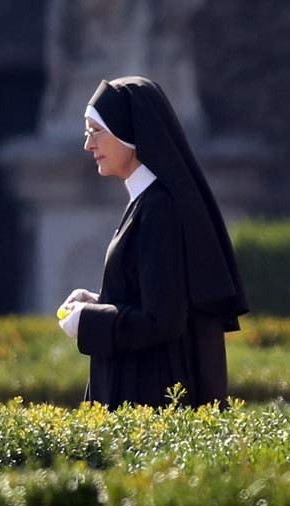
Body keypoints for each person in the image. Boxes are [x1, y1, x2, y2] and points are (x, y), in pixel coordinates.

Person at [57, 76, 248, 409]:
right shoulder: (149, 201)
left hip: (152, 399)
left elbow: (163, 320)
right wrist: (100, 302)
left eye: (96, 131)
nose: (89, 144)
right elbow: (157, 297)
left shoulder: (161, 208)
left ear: (129, 130)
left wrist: (89, 321)